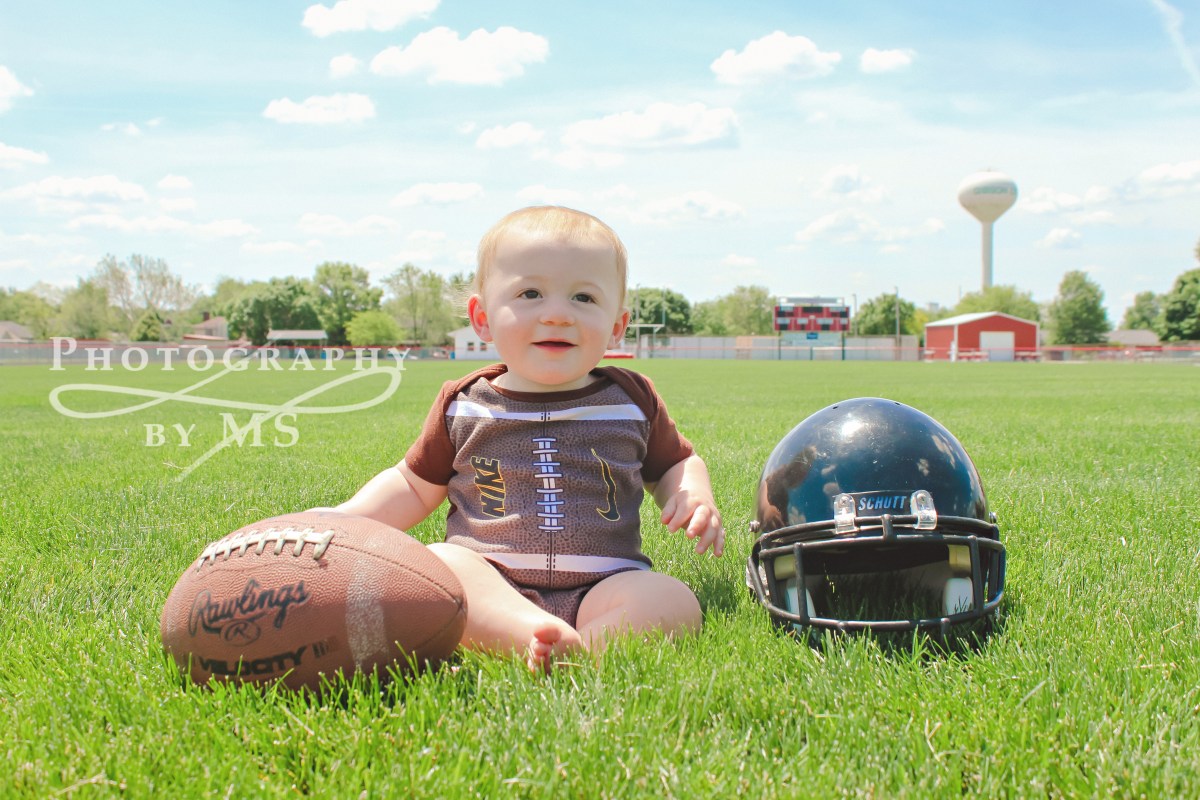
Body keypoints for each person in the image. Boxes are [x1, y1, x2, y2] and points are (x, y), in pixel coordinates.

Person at [328, 206, 724, 672]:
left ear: (616, 326)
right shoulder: (465, 403)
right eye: (530, 293)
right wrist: (343, 520)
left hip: (606, 583)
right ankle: (527, 635)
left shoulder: (631, 400)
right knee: (440, 567)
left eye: (583, 297)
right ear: (482, 317)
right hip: (491, 580)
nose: (557, 315)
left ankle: (579, 647)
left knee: (671, 599)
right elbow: (413, 486)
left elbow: (677, 463)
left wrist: (692, 493)